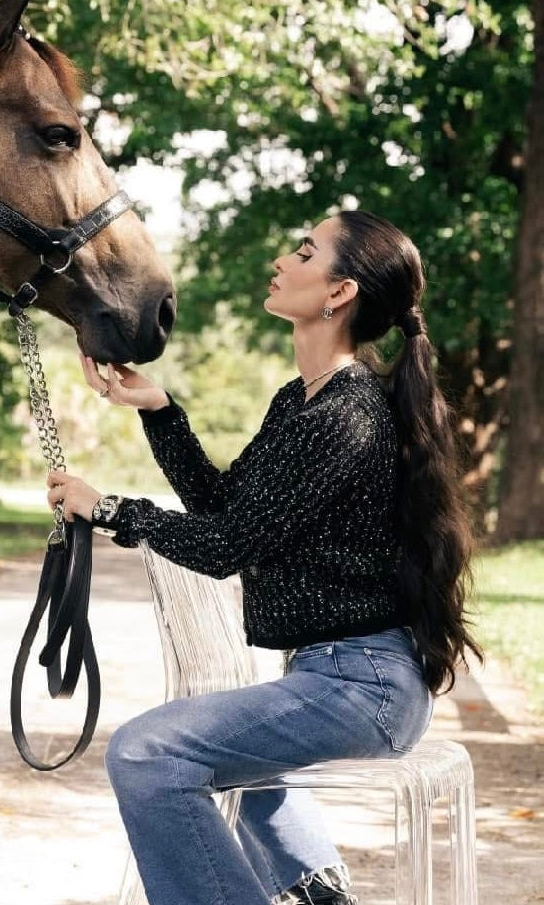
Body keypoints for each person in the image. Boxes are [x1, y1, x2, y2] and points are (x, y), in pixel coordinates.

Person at [46, 210, 483, 905]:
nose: (283, 259)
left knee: (147, 753)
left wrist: (109, 510)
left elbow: (226, 548)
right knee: (200, 750)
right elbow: (226, 509)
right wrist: (158, 410)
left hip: (361, 685)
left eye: (305, 251)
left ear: (339, 292)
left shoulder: (347, 414)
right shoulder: (301, 401)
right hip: (335, 677)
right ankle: (315, 891)